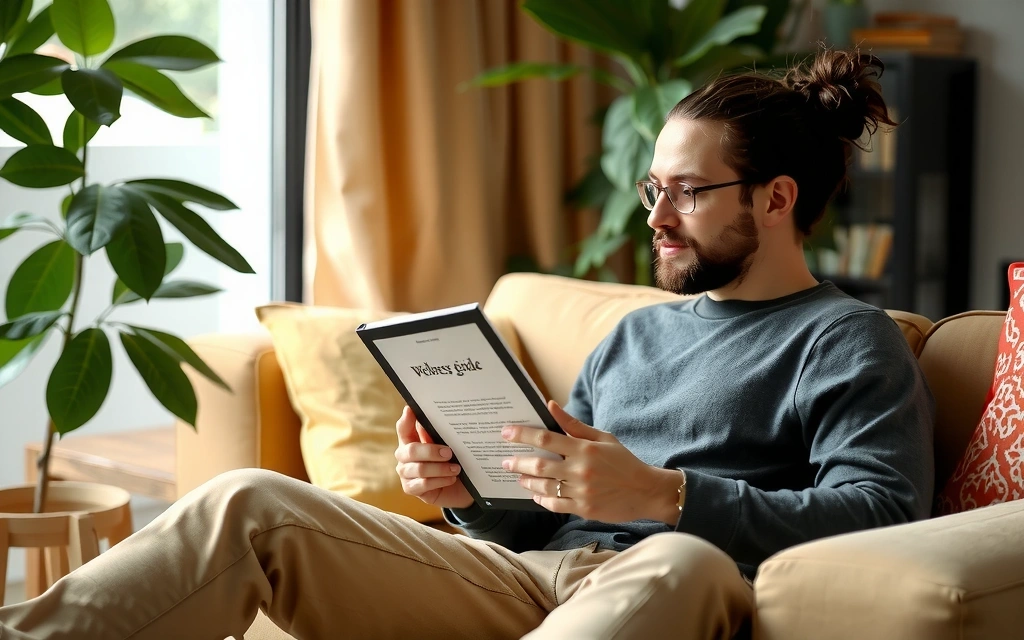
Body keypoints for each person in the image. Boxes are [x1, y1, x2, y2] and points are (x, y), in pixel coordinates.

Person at [0, 49, 932, 640]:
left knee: (677, 559)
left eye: (687, 191)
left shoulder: (846, 341)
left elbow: (885, 516)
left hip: (672, 584)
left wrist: (666, 497)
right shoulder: (638, 334)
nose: (657, 217)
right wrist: (470, 495)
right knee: (250, 501)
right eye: (653, 190)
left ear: (776, 199)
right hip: (522, 578)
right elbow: (539, 518)